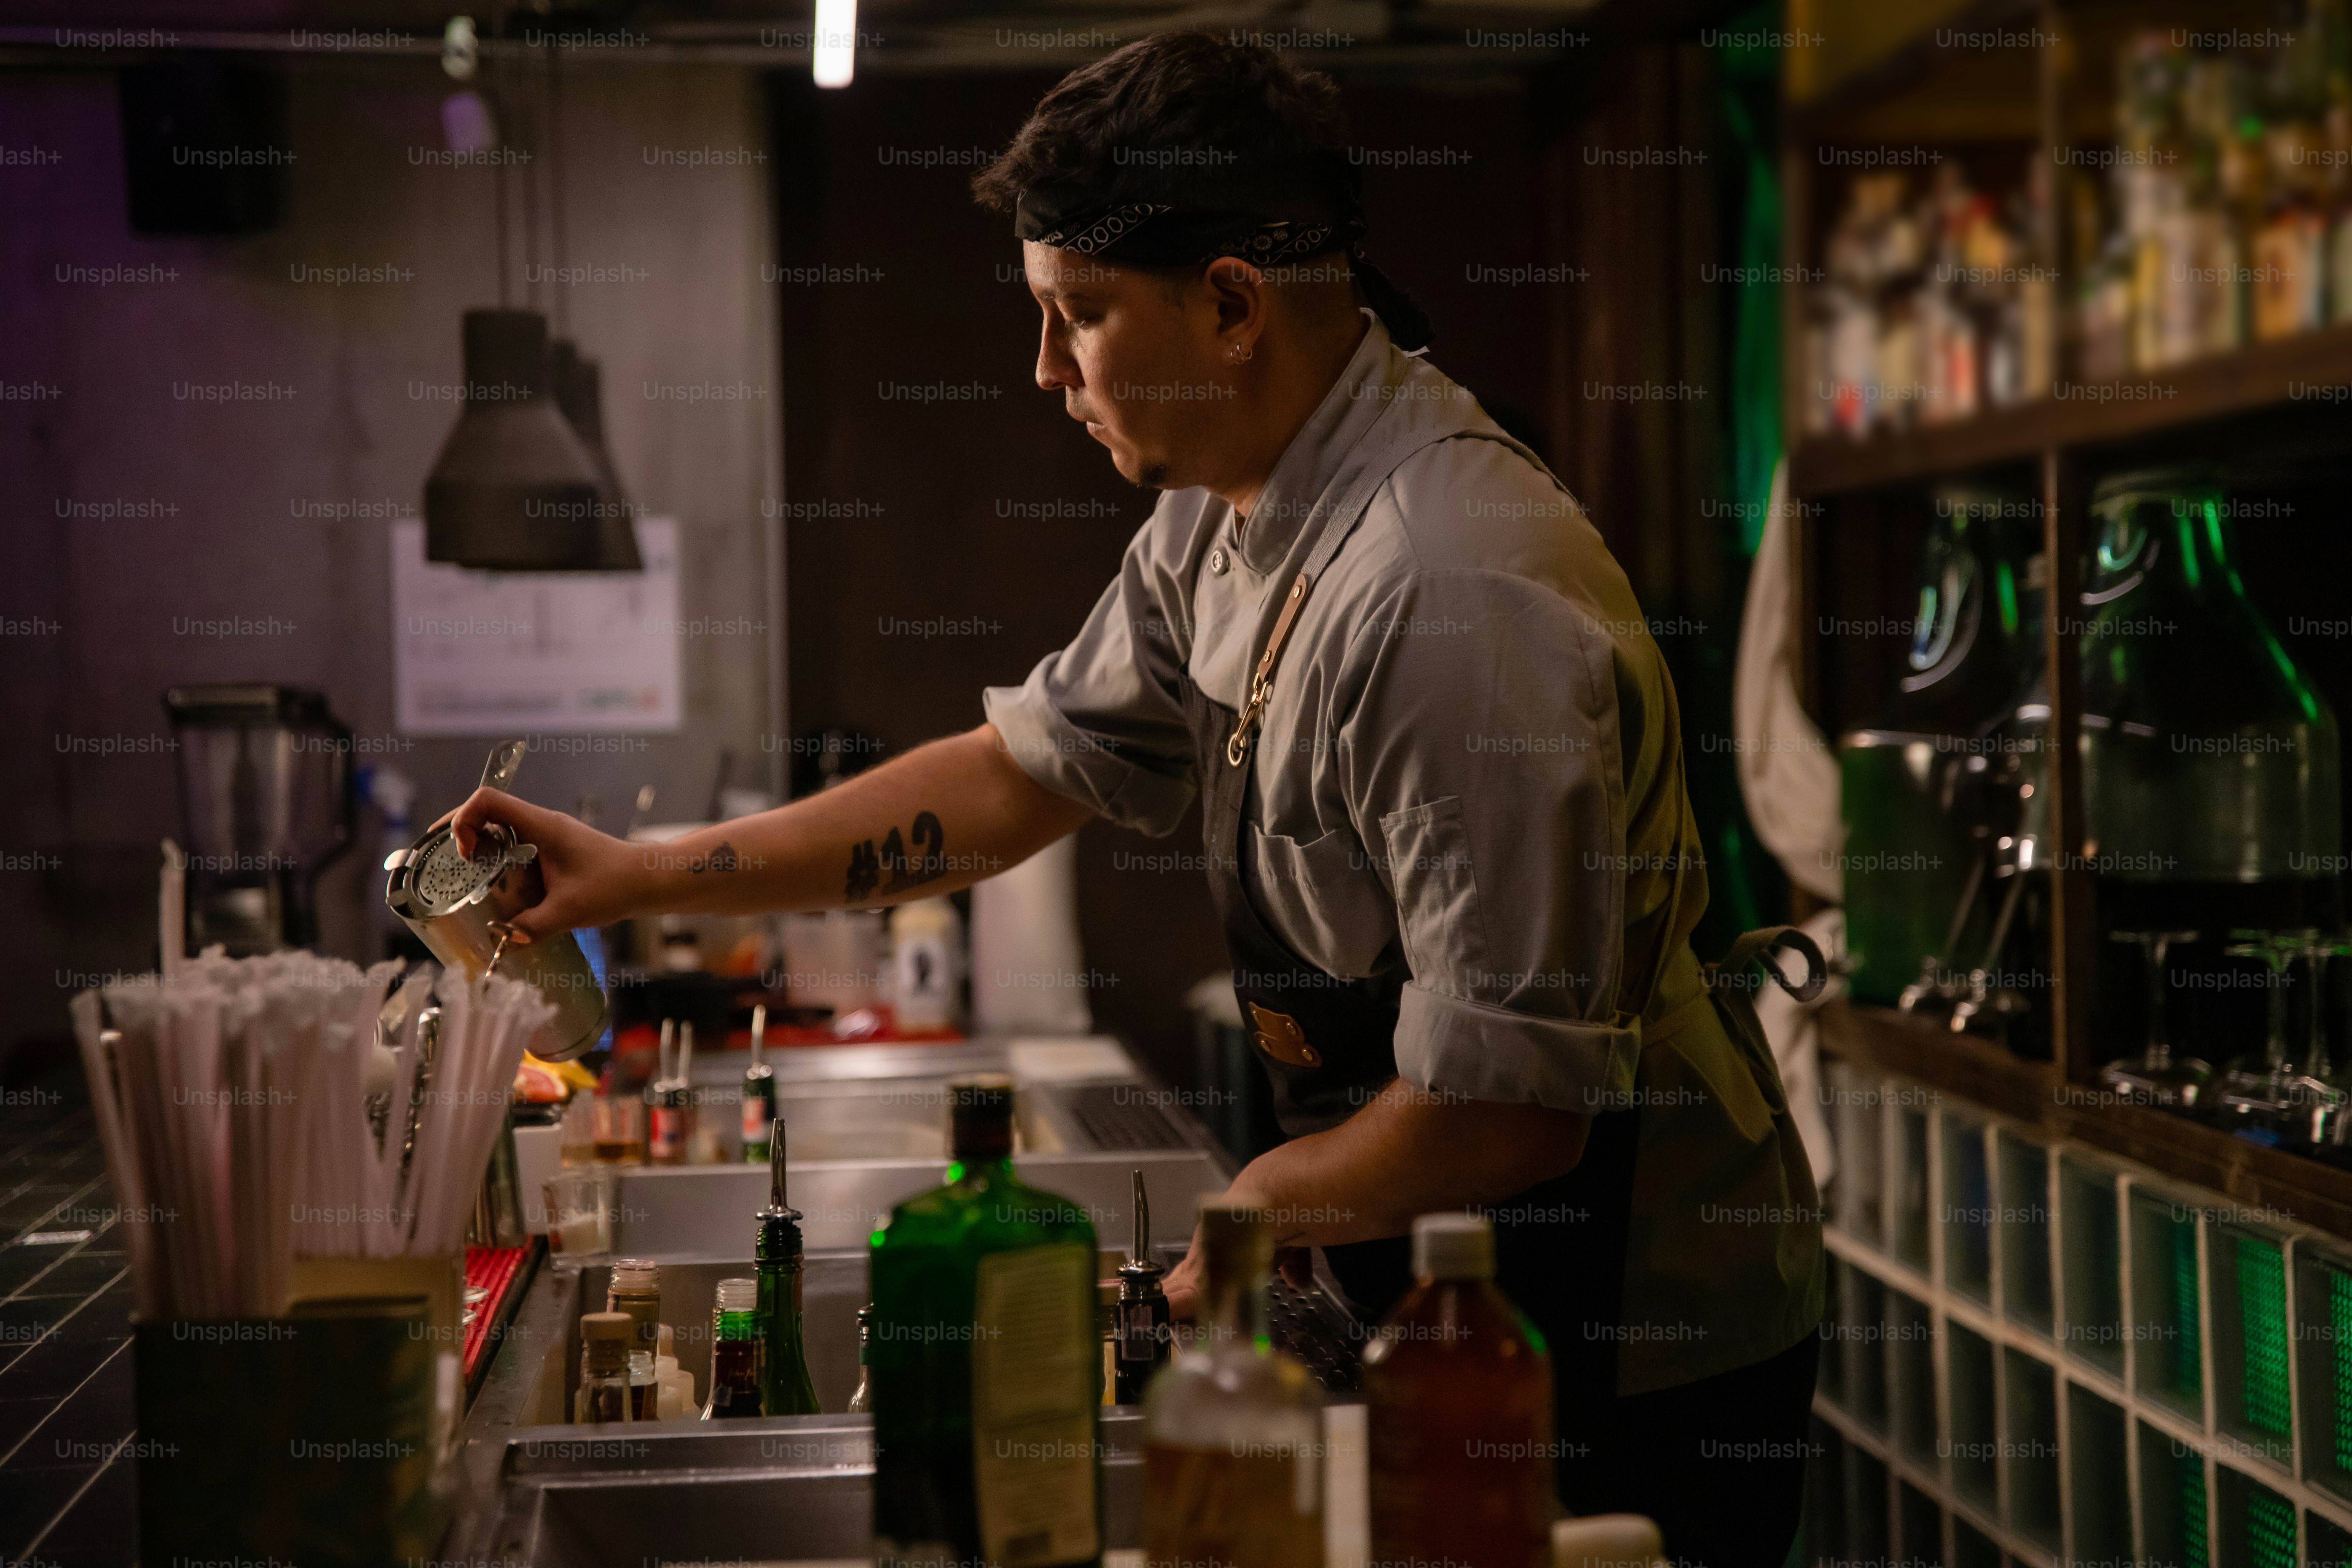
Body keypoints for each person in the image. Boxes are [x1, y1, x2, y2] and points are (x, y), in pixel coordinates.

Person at [448, 32, 1823, 1564]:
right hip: (1436, 1283)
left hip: (1627, 1334)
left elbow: (1506, 1111)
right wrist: (636, 876)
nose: (1046, 372)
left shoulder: (1451, 594)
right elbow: (1012, 778)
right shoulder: (1223, 519)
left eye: (1078, 317)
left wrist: (1252, 1211)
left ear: (1231, 303)